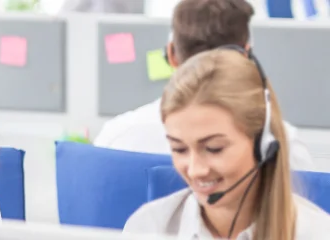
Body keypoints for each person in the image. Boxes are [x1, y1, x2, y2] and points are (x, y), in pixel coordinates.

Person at [123, 49, 330, 239]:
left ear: (263, 144)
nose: (195, 170)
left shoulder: (316, 233)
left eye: (214, 149)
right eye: (179, 149)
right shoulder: (149, 227)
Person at [93, 0, 316, 171]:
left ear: (171, 54)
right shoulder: (284, 145)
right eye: (179, 149)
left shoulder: (116, 137)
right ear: (246, 56)